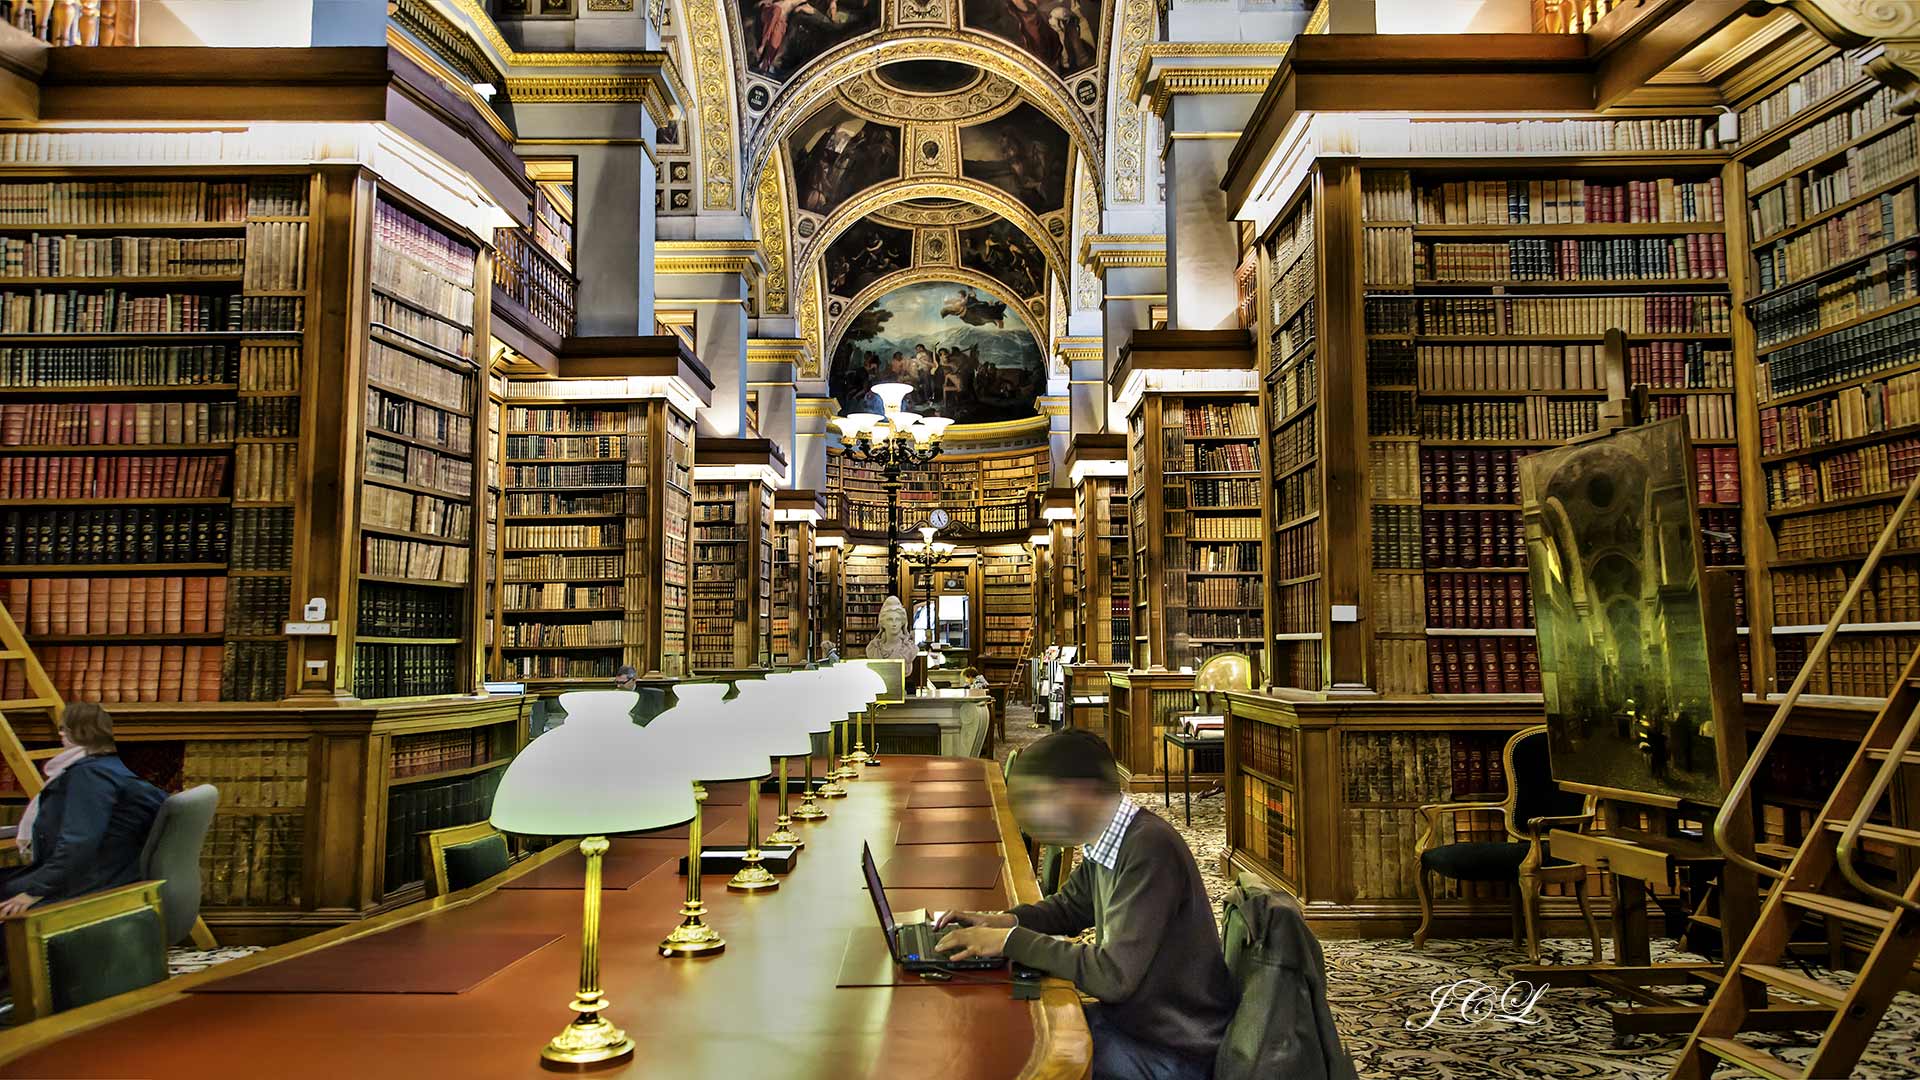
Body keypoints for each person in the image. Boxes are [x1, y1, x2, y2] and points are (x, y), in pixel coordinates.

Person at [936, 730, 1233, 1080]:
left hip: (1173, 1048)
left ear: (1081, 792)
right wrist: (998, 922)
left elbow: (1112, 976)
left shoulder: (1149, 849)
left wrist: (1008, 942)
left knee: (1023, 1060)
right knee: (1013, 1030)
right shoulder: (1111, 835)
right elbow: (1070, 908)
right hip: (1134, 1021)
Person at [0, 703, 166, 917]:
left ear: (81, 732)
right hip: (118, 871)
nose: (60, 733)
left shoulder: (90, 775)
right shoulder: (115, 765)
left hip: (95, 882)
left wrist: (33, 892)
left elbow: (79, 842)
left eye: (64, 728)